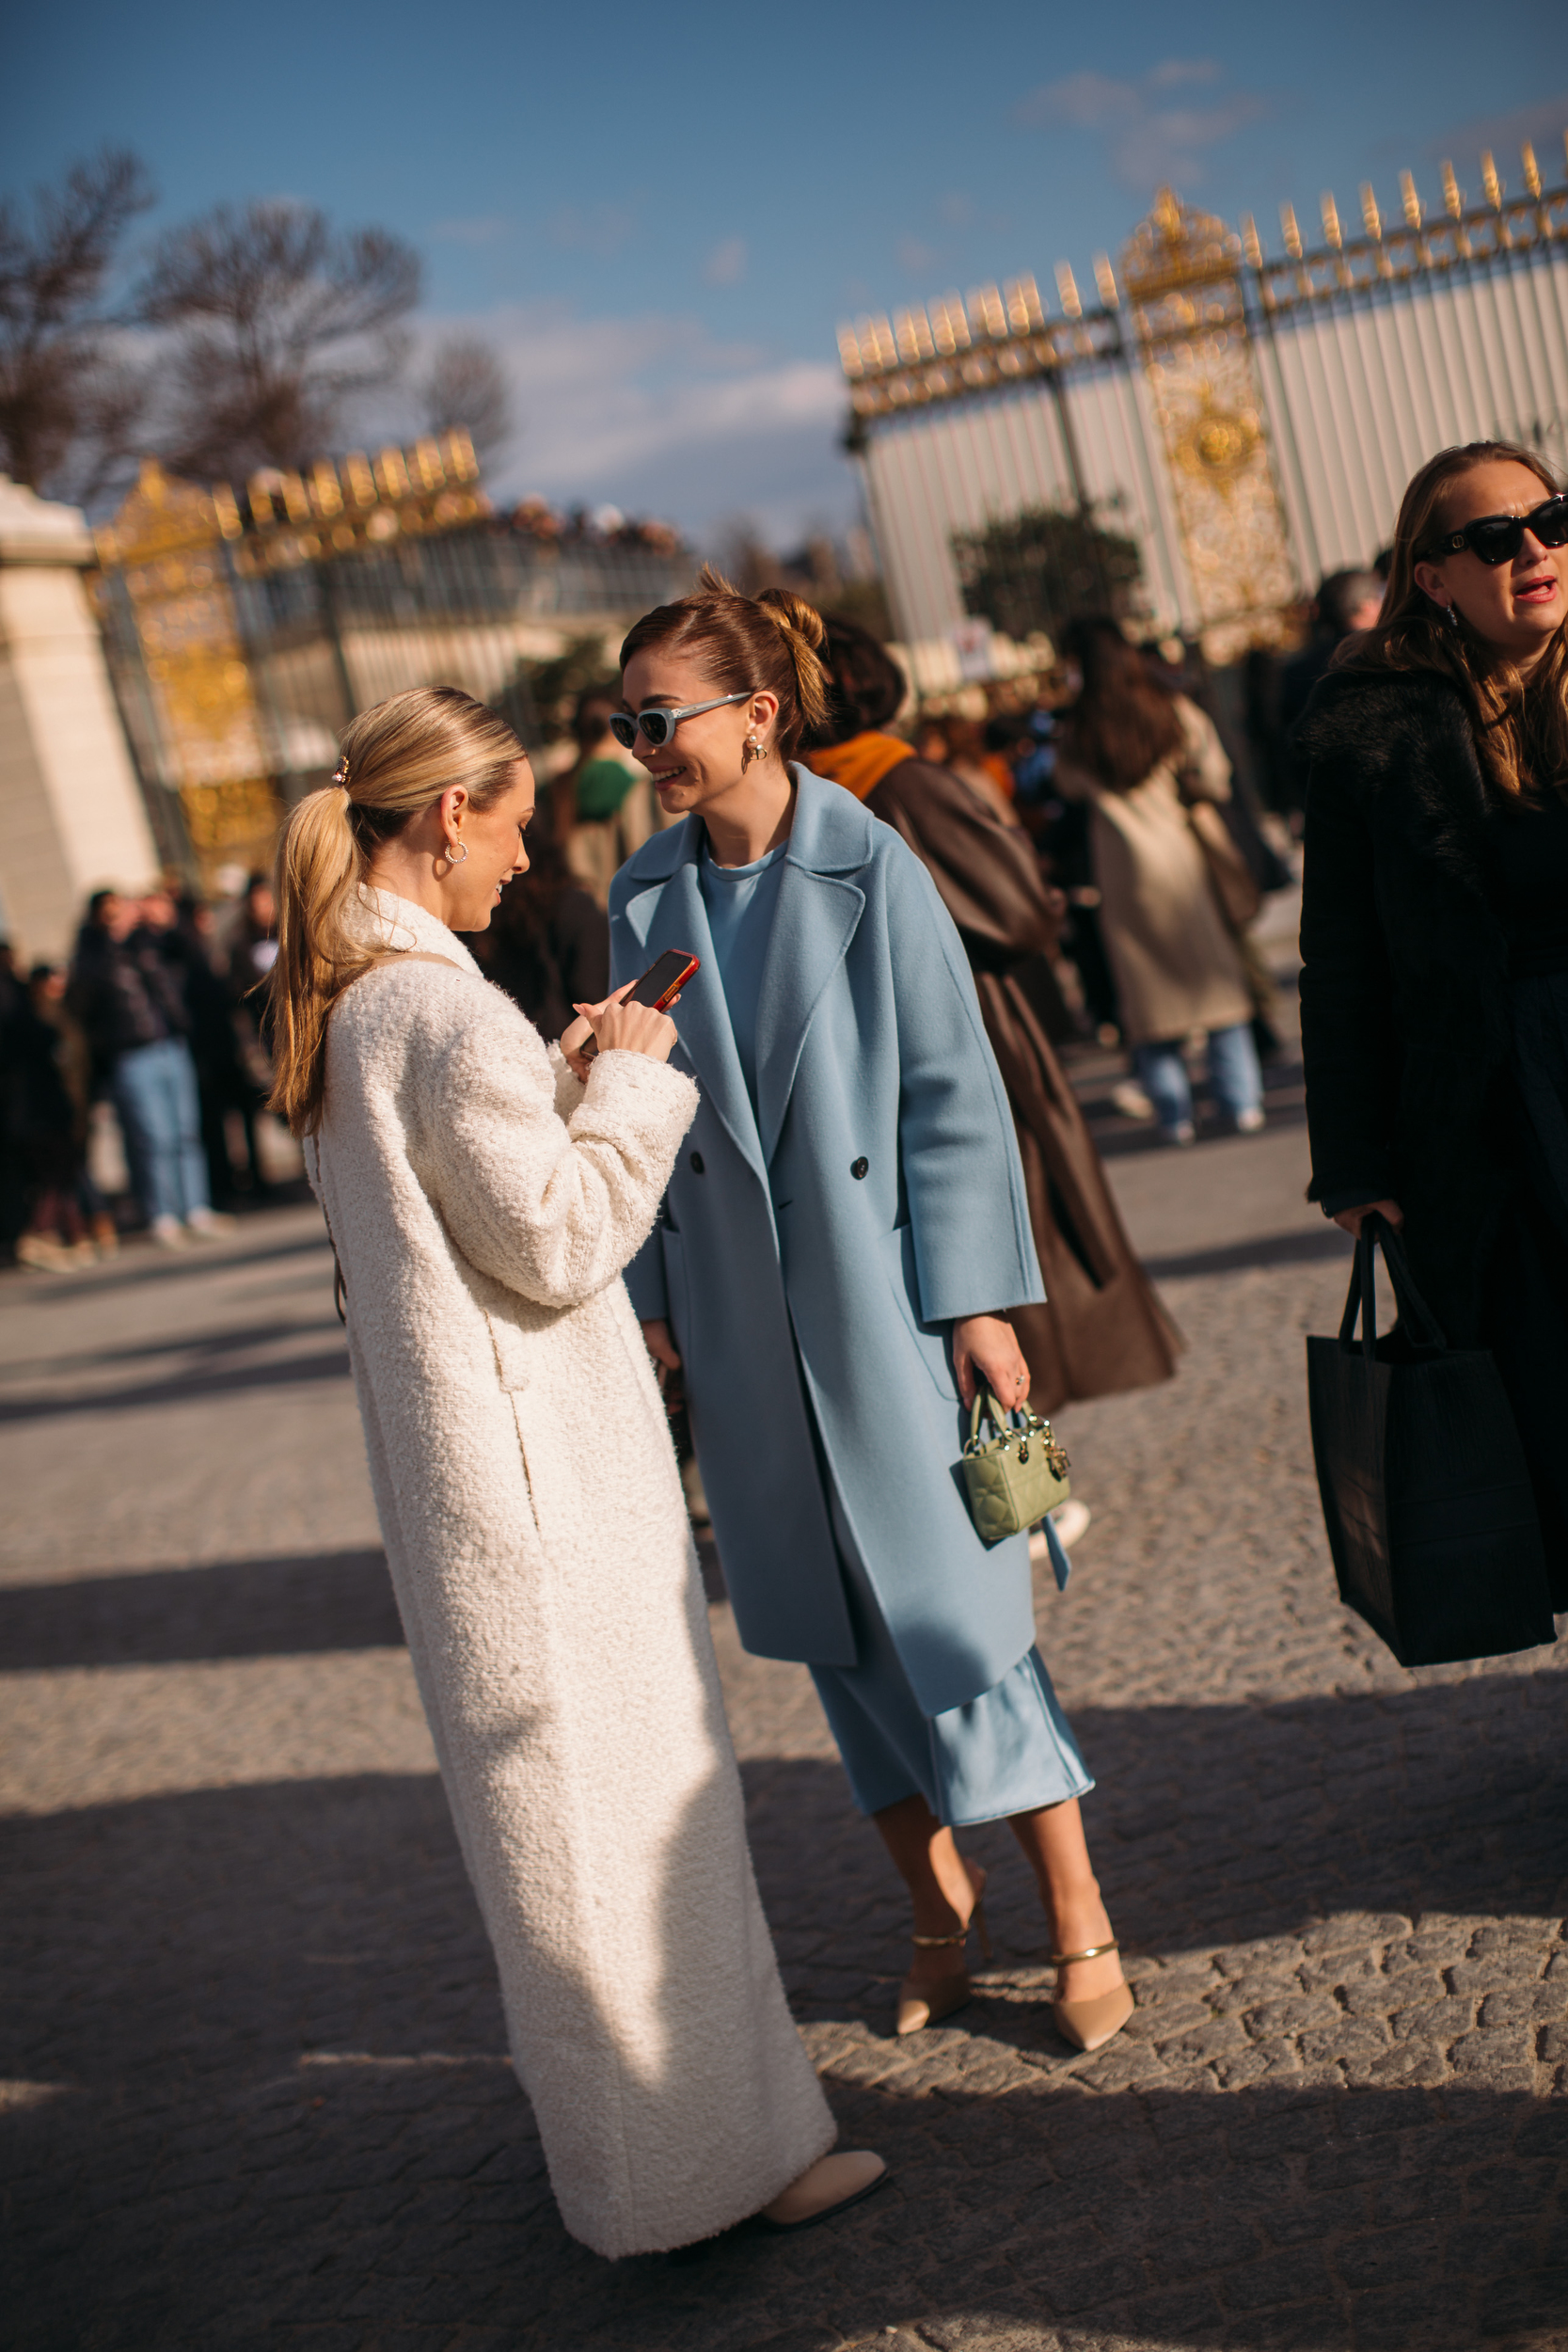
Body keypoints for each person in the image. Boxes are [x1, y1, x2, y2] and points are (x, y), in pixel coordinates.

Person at [268, 683, 882, 2256]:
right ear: (442, 815)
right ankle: (693, 2176)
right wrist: (633, 1079)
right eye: (514, 821)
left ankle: (681, 2161)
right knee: (621, 1830)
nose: (525, 859)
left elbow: (459, 1215)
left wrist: (555, 1079)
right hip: (544, 1489)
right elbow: (552, 1240)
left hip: (476, 1493)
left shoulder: (360, 1006)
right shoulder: (436, 1010)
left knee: (570, 1844)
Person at [607, 573, 1133, 2055]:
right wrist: (654, 1302)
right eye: (625, 721)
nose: (646, 744)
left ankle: (1076, 1913)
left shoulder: (870, 863)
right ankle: (934, 1913)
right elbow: (633, 1112)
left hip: (881, 1304)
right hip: (733, 1315)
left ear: (758, 714)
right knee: (831, 1637)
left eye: (663, 718)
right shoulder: (640, 892)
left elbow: (951, 1097)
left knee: (956, 1623)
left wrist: (975, 1304)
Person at [1298, 438, 1568, 1609]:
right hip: (1499, 1117)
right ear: (1430, 577)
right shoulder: (1375, 733)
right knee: (1554, 1402)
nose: (1535, 552)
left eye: (1552, 520)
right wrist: (1353, 1159)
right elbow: (1339, 960)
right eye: (1494, 539)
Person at [803, 612, 1180, 1416]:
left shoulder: (853, 788)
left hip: (936, 1030)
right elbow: (1019, 914)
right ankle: (1017, 1442)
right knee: (1010, 1221)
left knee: (998, 1228)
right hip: (970, 1025)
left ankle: (1011, 1442)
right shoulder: (895, 781)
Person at [1053, 619, 1266, 1148]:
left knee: (1147, 1004)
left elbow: (1068, 786)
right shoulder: (1168, 708)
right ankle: (1241, 1102)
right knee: (1216, 986)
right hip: (1180, 859)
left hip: (1122, 873)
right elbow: (1214, 772)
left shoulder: (1076, 731)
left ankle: (1175, 1116)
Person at [69, 889, 225, 1244]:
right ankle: (163, 1214)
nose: (120, 916)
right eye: (110, 913)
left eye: (122, 909)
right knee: (155, 1138)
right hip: (131, 1053)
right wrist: (111, 940)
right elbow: (84, 1001)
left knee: (186, 1132)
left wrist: (165, 921)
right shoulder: (93, 954)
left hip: (171, 1043)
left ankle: (196, 1208)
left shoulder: (150, 944)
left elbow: (192, 956)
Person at [467, 827, 610, 1041]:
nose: (520, 861)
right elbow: (594, 993)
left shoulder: (470, 914)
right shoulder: (573, 907)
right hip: (563, 1051)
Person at [558, 688, 657, 905]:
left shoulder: (558, 784)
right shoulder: (628, 783)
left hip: (577, 899)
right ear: (615, 730)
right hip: (619, 898)